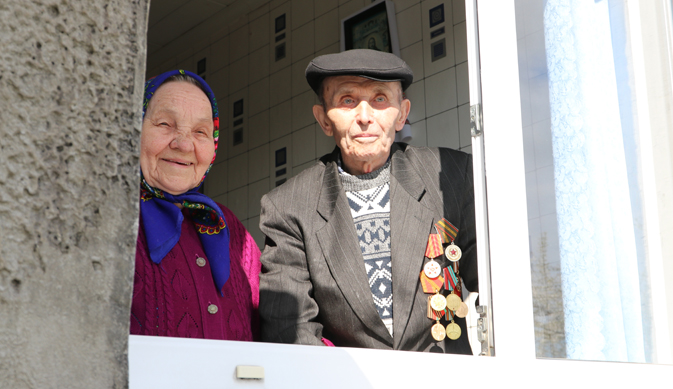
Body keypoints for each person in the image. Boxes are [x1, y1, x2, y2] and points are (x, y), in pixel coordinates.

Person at [259, 49, 477, 353]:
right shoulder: (288, 207)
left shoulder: (450, 176)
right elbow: (290, 330)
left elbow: (500, 285)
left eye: (380, 99)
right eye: (348, 100)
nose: (364, 117)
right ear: (323, 119)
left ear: (402, 114)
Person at [130, 70, 261, 340]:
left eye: (200, 132)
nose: (183, 144)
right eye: (165, 124)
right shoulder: (107, 217)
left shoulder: (227, 225)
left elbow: (273, 328)